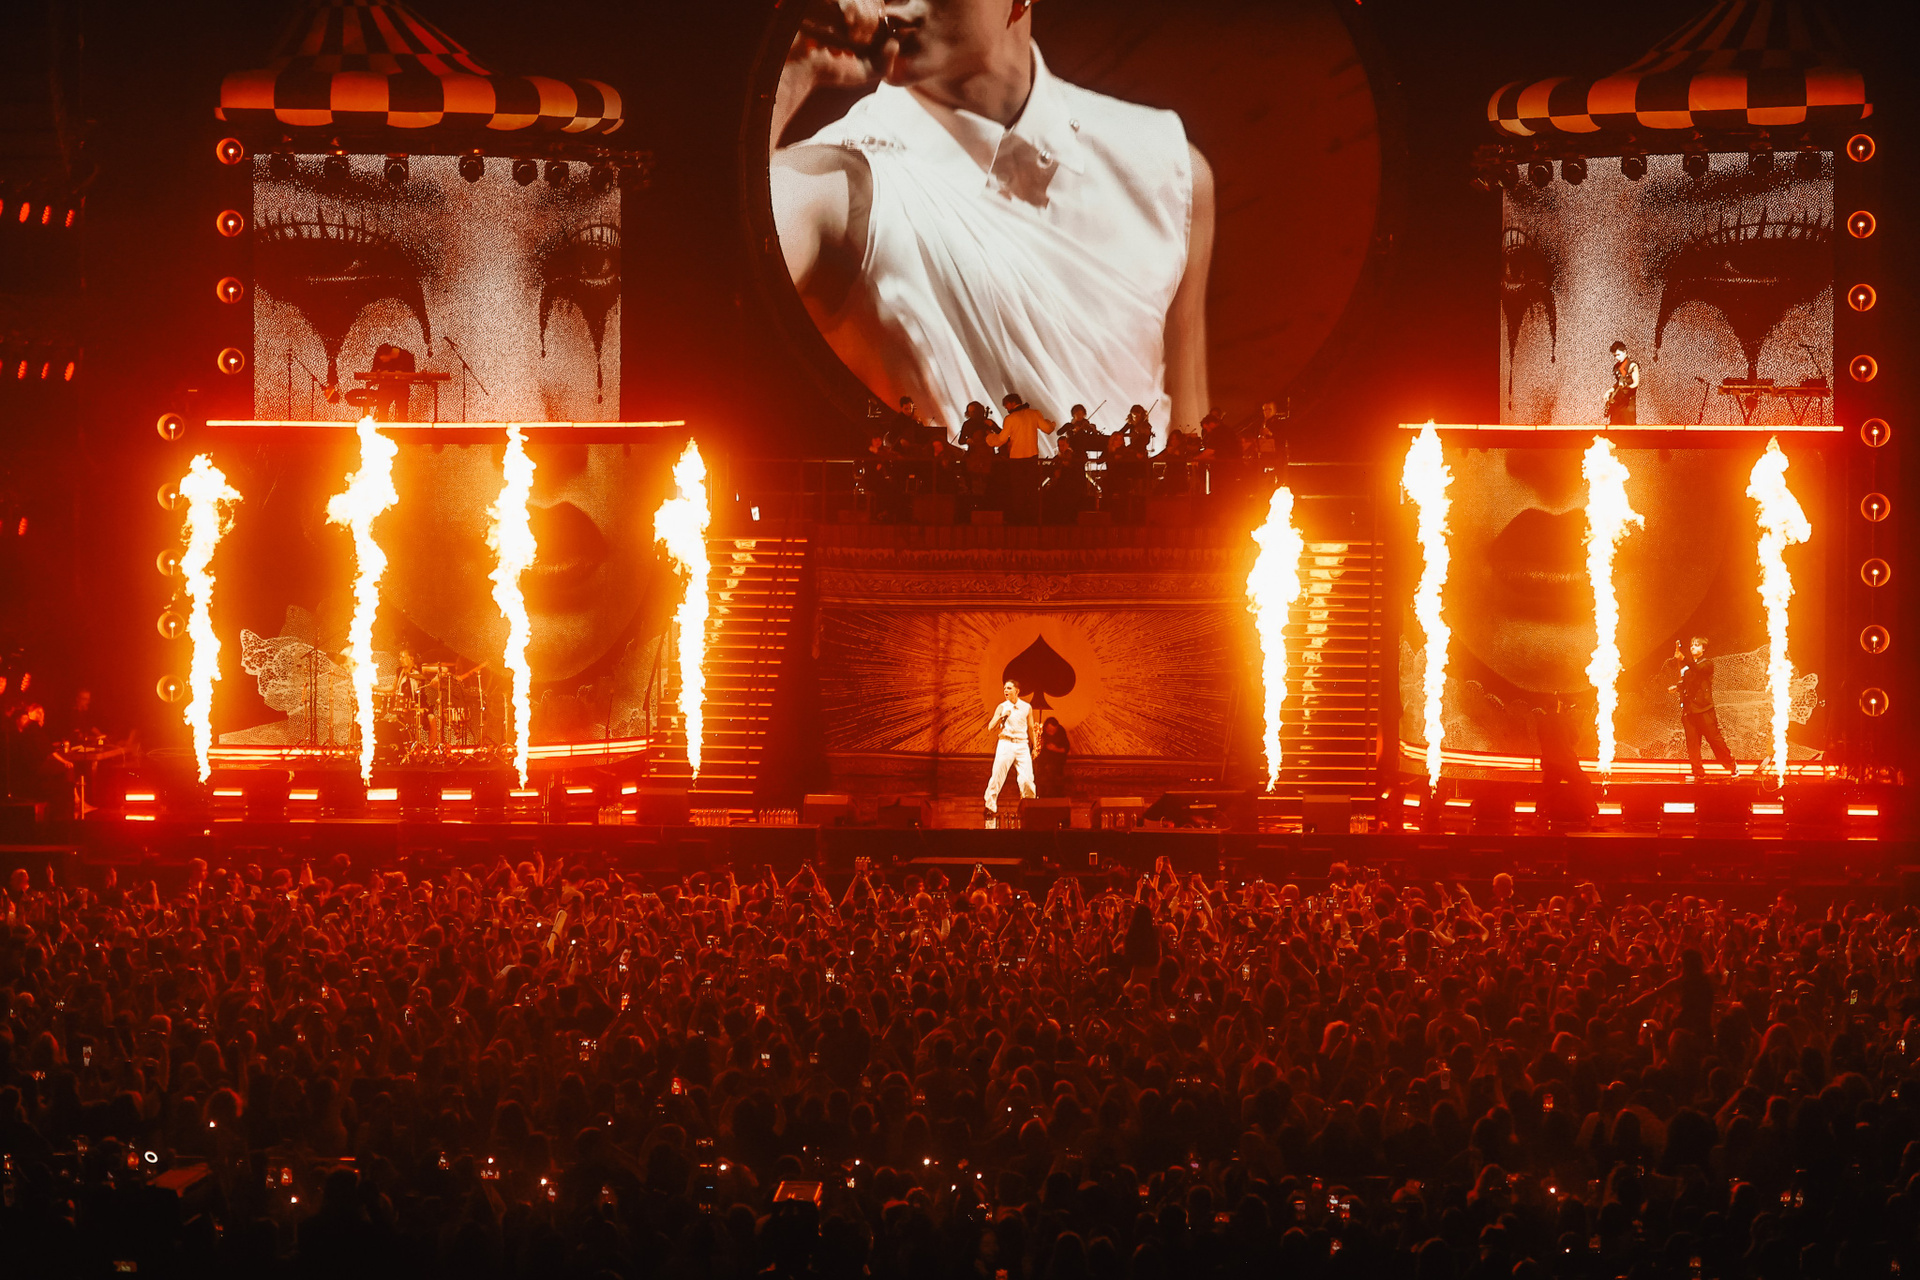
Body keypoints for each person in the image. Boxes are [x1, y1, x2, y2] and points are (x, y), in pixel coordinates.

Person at [771, 0, 1215, 440]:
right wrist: (791, 69)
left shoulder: (1167, 169)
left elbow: (1193, 439)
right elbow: (728, 285)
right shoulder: (830, 181)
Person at [1671, 635, 1739, 779]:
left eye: (1697, 645)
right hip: (1689, 711)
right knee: (1692, 743)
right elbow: (1688, 682)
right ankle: (1698, 772)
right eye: (1691, 645)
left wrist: (1683, 658)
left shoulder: (1707, 664)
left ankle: (1731, 765)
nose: (1693, 647)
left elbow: (1698, 670)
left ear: (1703, 649)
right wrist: (1677, 687)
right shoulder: (1688, 668)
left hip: (1704, 710)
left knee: (1714, 740)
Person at [987, 392, 1055, 523]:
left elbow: (1001, 439)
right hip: (1032, 457)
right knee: (1032, 488)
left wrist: (989, 438)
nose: (1006, 408)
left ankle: (1019, 519)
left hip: (1016, 459)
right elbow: (1048, 429)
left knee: (1018, 489)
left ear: (1012, 403)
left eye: (1007, 405)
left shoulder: (1010, 418)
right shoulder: (1034, 414)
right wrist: (1052, 423)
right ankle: (1034, 518)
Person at [983, 679, 1035, 820]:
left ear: (1017, 691)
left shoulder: (1026, 707)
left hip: (1022, 744)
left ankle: (1029, 806)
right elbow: (991, 727)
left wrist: (1035, 746)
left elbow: (1031, 728)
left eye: (1009, 688)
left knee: (1027, 779)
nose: (1006, 690)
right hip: (1006, 743)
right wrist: (1002, 716)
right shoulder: (1002, 707)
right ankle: (990, 807)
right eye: (1005, 688)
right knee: (997, 775)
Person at [367, 342, 417, 422]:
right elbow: (373, 372)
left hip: (401, 388)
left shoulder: (406, 356)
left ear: (388, 354)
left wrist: (402, 375)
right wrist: (381, 374)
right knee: (382, 413)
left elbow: (412, 374)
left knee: (402, 413)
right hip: (385, 388)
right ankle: (382, 428)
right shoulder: (379, 356)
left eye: (383, 359)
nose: (381, 360)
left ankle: (402, 429)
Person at [1033, 715, 1069, 797]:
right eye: (1049, 730)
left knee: (1054, 782)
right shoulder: (1041, 732)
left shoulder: (1061, 733)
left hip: (1057, 765)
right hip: (1043, 764)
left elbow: (1065, 749)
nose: (1051, 732)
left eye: (1053, 730)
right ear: (1046, 728)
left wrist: (1055, 749)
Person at [1604, 340, 1640, 425]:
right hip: (1618, 401)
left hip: (1628, 402)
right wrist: (1609, 391)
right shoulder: (1617, 366)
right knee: (1614, 427)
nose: (1617, 358)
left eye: (1618, 355)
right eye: (1615, 356)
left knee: (1629, 427)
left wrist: (1627, 386)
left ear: (1624, 352)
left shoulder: (1632, 365)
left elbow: (1636, 383)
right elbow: (1618, 383)